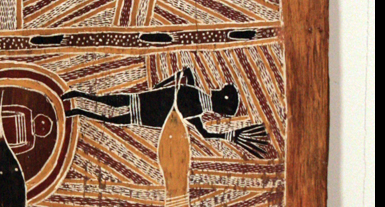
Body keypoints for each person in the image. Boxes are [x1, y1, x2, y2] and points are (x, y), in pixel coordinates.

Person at [62, 67, 269, 157]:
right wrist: (228, 136)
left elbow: (185, 72)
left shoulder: (196, 100)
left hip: (146, 106)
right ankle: (79, 106)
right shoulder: (196, 108)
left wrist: (161, 86)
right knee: (112, 114)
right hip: (147, 112)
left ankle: (79, 102)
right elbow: (205, 133)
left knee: (111, 108)